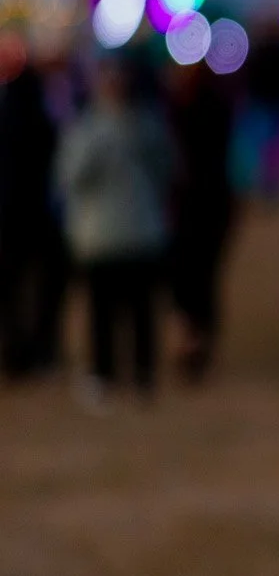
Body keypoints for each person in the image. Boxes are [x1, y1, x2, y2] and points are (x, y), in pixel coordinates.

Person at [55, 56, 177, 407]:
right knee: (102, 313)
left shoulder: (146, 126)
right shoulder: (88, 130)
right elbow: (70, 176)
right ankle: (104, 375)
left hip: (138, 232)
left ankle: (141, 376)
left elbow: (165, 168)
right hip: (102, 236)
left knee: (139, 312)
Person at [164, 60, 240, 380]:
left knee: (190, 279)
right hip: (210, 206)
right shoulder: (219, 109)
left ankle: (193, 339)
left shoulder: (179, 113)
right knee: (203, 279)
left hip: (191, 208)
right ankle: (197, 338)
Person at [1, 42, 69, 379]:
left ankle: (17, 351)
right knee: (42, 287)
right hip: (40, 214)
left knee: (13, 289)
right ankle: (40, 350)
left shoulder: (9, 120)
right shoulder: (45, 123)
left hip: (11, 215)